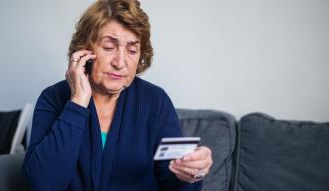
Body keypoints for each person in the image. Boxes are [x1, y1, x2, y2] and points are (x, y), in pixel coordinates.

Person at [22, 0, 213, 190]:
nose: (120, 62)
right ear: (85, 50)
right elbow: (41, 184)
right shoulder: (53, 98)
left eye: (131, 50)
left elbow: (172, 182)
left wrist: (189, 174)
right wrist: (78, 103)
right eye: (108, 47)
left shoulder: (156, 101)